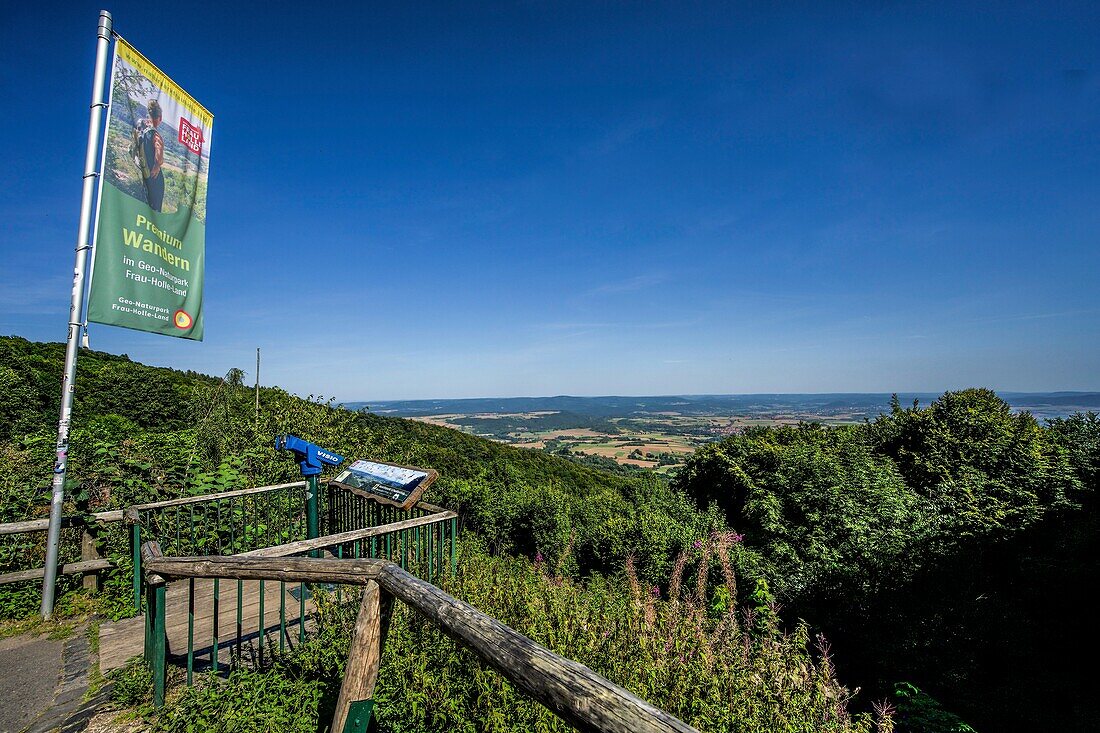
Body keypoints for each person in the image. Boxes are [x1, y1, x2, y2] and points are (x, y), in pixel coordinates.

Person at [139, 99, 165, 211]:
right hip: (154, 176)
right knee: (155, 208)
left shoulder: (143, 131)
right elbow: (158, 155)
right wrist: (157, 166)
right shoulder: (155, 134)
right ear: (160, 118)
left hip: (143, 172)